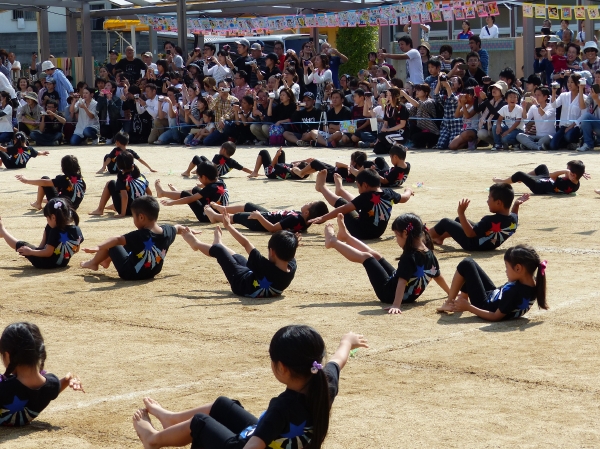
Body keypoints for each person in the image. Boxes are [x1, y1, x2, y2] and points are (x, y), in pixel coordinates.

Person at [131, 326, 368, 449]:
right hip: (274, 441)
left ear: (282, 367)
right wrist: (347, 341)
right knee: (223, 405)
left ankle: (153, 440)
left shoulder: (281, 408)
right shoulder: (324, 383)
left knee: (200, 423)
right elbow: (338, 359)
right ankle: (172, 419)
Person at [323, 213, 449, 314]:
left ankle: (333, 242)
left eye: (396, 236)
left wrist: (396, 305)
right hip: (400, 289)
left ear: (405, 233)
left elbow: (402, 282)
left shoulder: (409, 257)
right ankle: (345, 237)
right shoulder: (429, 253)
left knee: (367, 257)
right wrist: (450, 293)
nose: (396, 240)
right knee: (377, 256)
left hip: (388, 293)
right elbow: (437, 275)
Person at [81, 196, 190, 279]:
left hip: (130, 273)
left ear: (141, 217)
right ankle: (106, 261)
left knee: (113, 244)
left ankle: (93, 263)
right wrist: (187, 231)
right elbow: (177, 228)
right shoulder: (167, 231)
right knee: (130, 245)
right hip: (152, 272)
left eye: (134, 216)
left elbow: (117, 239)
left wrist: (98, 247)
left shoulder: (139, 235)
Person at [0, 322, 84, 426]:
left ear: (8, 355)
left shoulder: (3, 388)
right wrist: (69, 379)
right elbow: (53, 387)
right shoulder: (50, 387)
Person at [438, 245, 547, 321]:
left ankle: (450, 302)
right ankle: (462, 298)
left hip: (485, 306)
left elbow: (495, 317)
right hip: (494, 297)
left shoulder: (514, 292)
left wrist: (469, 307)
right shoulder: (532, 283)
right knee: (471, 265)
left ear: (518, 268)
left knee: (466, 264)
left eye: (507, 267)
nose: (505, 271)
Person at [310, 168, 413, 240]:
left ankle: (322, 188)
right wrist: (408, 191)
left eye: (358, 186)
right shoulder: (389, 193)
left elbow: (344, 209)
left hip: (359, 232)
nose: (358, 189)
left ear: (365, 185)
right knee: (360, 203)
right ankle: (340, 190)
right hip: (377, 233)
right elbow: (404, 198)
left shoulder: (365, 197)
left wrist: (323, 217)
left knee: (343, 203)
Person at [427, 183, 528, 251]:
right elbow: (514, 214)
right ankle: (440, 238)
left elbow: (470, 234)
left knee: (445, 222)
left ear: (498, 203)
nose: (487, 201)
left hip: (473, 245)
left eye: (489, 198)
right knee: (459, 221)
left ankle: (424, 238)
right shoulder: (513, 220)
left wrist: (461, 213)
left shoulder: (488, 220)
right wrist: (516, 205)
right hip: (488, 245)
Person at [0, 198, 83, 269]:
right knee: (49, 227)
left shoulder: (55, 231)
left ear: (53, 217)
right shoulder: (76, 229)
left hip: (45, 263)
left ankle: (2, 231)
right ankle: (39, 249)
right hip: (63, 263)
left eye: (47, 218)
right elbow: (76, 250)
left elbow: (48, 253)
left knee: (21, 245)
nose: (47, 221)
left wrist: (31, 252)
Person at [155, 162, 229, 223]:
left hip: (207, 217)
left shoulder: (210, 188)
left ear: (204, 177)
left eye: (199, 177)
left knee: (186, 194)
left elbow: (190, 199)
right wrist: (202, 185)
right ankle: (169, 193)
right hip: (217, 212)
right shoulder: (220, 182)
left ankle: (163, 193)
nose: (198, 179)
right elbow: (209, 189)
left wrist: (172, 203)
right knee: (195, 189)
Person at [204, 200, 328, 234]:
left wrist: (259, 217)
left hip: (261, 222)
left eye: (308, 204)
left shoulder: (295, 219)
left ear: (307, 213)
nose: (306, 203)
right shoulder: (305, 221)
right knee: (249, 205)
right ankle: (223, 208)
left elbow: (272, 228)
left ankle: (215, 217)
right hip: (269, 215)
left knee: (237, 216)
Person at [90, 151, 152, 218]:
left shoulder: (122, 177)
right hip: (139, 210)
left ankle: (100, 209)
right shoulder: (141, 176)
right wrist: (147, 209)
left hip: (128, 210)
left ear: (118, 166)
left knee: (111, 183)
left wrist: (122, 214)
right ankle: (114, 206)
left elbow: (125, 196)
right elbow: (149, 193)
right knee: (125, 189)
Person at [16, 154, 86, 211]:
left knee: (45, 178)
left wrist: (26, 181)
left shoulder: (64, 179)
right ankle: (45, 200)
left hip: (61, 207)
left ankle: (38, 203)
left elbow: (45, 182)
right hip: (73, 207)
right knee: (58, 179)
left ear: (63, 167)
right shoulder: (81, 180)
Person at [492, 160, 586, 195]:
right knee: (542, 167)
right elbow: (573, 177)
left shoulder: (564, 184)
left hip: (539, 187)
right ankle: (525, 178)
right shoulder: (576, 183)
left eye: (568, 170)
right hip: (546, 182)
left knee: (519, 173)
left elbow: (551, 176)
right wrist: (580, 172)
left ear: (573, 175)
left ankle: (502, 182)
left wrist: (564, 171)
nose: (566, 172)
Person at [549, 73, 586, 151]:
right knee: (553, 146)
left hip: (575, 127)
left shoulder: (584, 97)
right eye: (568, 81)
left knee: (568, 136)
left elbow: (583, 115)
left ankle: (577, 141)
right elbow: (554, 105)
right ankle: (569, 145)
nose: (569, 84)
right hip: (563, 127)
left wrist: (571, 126)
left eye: (572, 82)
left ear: (577, 83)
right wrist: (553, 92)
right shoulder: (564, 95)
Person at [181, 142, 252, 178]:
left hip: (210, 173)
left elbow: (212, 167)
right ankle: (197, 170)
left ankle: (187, 172)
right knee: (202, 157)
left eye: (221, 148)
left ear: (223, 150)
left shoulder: (218, 156)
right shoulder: (232, 162)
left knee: (196, 157)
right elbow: (243, 168)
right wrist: (252, 172)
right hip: (217, 173)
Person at [516, 86, 556, 151]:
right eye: (535, 95)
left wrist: (537, 105)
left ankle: (529, 145)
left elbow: (544, 117)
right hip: (537, 136)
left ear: (545, 97)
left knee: (548, 137)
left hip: (548, 136)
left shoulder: (551, 107)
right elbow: (526, 121)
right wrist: (524, 108)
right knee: (519, 135)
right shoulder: (533, 107)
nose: (536, 97)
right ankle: (538, 147)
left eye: (538, 95)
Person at [373, 88, 410, 154]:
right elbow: (385, 123)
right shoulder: (387, 107)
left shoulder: (401, 107)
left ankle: (401, 147)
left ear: (396, 96)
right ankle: (393, 148)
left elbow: (402, 124)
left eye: (390, 95)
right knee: (377, 148)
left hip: (401, 133)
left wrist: (388, 130)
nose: (388, 97)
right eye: (387, 95)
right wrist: (381, 134)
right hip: (391, 132)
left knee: (385, 136)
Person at [434, 75, 463, 149]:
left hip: (456, 125)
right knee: (440, 145)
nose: (451, 82)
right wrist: (439, 83)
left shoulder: (461, 95)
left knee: (451, 145)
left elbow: (454, 100)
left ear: (459, 85)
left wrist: (448, 87)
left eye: (454, 80)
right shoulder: (445, 96)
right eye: (450, 80)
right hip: (446, 125)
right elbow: (436, 97)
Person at [476, 81, 507, 146]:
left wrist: (485, 99)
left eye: (497, 89)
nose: (494, 90)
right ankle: (495, 144)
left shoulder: (504, 103)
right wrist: (476, 96)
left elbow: (495, 112)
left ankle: (501, 143)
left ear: (502, 92)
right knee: (481, 133)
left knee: (495, 125)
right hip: (488, 129)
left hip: (500, 130)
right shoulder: (490, 101)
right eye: (493, 88)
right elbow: (477, 109)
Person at [578, 69, 600, 151]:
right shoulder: (593, 91)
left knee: (586, 116)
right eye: (595, 77)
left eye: (599, 77)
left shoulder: (594, 95)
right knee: (586, 116)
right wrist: (580, 89)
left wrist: (596, 99)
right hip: (598, 124)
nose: (597, 79)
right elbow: (582, 106)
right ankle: (588, 144)